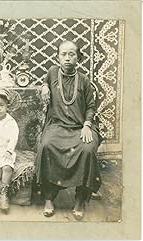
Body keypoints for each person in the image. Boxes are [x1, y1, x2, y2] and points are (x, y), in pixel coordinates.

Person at [35, 40, 102, 220]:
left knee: (87, 150)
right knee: (46, 146)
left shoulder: (85, 80)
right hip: (57, 125)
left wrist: (87, 125)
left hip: (80, 127)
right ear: (57, 57)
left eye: (71, 54)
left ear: (78, 58)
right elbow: (46, 81)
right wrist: (44, 86)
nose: (67, 58)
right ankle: (49, 197)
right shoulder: (51, 73)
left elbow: (90, 106)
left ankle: (80, 198)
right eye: (63, 54)